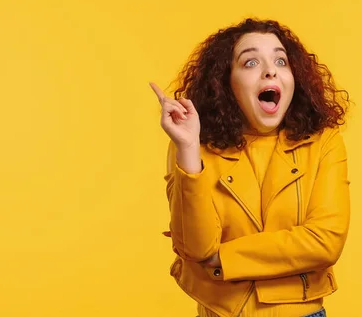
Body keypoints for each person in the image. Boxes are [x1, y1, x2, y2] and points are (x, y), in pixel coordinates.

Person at [150, 18, 351, 317]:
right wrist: (189, 148)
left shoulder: (324, 142)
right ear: (225, 82)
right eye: (251, 62)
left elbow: (325, 241)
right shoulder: (193, 144)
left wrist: (225, 257)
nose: (270, 70)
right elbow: (196, 249)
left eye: (281, 61)